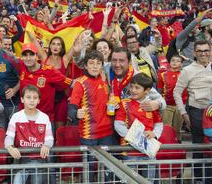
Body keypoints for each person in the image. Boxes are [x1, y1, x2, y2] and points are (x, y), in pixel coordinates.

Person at [69, 50, 114, 182]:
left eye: (98, 63)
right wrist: (76, 114)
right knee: (89, 169)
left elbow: (109, 105)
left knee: (107, 168)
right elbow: (72, 108)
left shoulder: (105, 82)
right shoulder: (80, 83)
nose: (95, 66)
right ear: (86, 66)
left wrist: (114, 106)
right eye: (91, 63)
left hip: (107, 133)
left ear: (102, 65)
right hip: (89, 135)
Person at [174, 39, 212, 182]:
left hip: (211, 111)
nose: (203, 54)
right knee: (200, 146)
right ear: (195, 53)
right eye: (200, 51)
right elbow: (177, 92)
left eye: (206, 50)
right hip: (197, 112)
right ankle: (199, 178)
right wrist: (183, 113)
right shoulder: (187, 70)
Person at [26, 33, 81, 129]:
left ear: (62, 47)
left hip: (61, 98)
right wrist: (27, 23)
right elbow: (33, 40)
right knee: (44, 126)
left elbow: (75, 46)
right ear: (50, 46)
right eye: (53, 44)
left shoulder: (65, 59)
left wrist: (80, 35)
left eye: (58, 44)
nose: (55, 46)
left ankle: (58, 143)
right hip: (45, 99)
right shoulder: (44, 57)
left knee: (59, 128)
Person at [114, 73, 163, 181]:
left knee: (149, 180)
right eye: (131, 86)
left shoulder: (151, 104)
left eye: (137, 88)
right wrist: (134, 137)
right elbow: (118, 124)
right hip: (130, 150)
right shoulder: (124, 104)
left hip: (149, 149)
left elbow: (159, 124)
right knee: (129, 180)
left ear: (147, 90)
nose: (133, 90)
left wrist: (154, 134)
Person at [5, 85, 53, 184]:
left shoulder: (44, 117)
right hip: (21, 160)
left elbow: (50, 138)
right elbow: (9, 137)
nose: (32, 100)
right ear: (22, 99)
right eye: (28, 97)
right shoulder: (16, 117)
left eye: (35, 98)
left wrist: (47, 145)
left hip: (38, 160)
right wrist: (10, 147)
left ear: (39, 100)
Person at [19, 43, 73, 130]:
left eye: (31, 55)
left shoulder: (49, 71)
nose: (28, 58)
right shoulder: (21, 66)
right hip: (24, 118)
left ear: (37, 56)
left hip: (44, 119)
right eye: (25, 55)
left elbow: (70, 82)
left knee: (47, 143)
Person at [107, 47, 166, 112]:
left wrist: (157, 104)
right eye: (114, 60)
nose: (117, 64)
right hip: (113, 117)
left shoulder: (138, 77)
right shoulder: (106, 71)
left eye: (121, 61)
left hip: (132, 119)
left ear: (129, 62)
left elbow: (161, 101)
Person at [157, 54, 187, 141]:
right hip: (167, 105)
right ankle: (167, 146)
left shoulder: (185, 74)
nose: (175, 62)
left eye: (178, 61)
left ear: (181, 64)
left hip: (180, 106)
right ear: (169, 62)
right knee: (166, 128)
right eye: (173, 60)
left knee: (177, 129)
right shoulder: (163, 74)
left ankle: (178, 147)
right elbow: (159, 90)